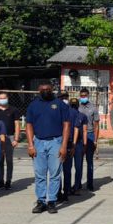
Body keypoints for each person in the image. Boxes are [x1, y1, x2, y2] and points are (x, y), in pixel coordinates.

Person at [26, 83, 71, 214]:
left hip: (55, 141)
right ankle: (41, 201)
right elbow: (29, 125)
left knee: (55, 174)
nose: (45, 91)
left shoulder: (60, 104)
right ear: (39, 91)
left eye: (48, 89)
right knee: (40, 174)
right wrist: (30, 145)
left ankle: (51, 201)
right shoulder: (33, 105)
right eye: (43, 90)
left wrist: (63, 145)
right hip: (38, 142)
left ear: (52, 90)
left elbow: (66, 125)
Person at [0, 91, 20, 190]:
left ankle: (8, 181)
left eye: (4, 98)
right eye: (0, 98)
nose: (2, 100)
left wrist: (16, 139)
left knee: (9, 160)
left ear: (8, 98)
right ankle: (0, 181)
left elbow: (17, 124)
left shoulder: (14, 110)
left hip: (10, 137)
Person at [77, 88, 100, 191]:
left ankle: (90, 184)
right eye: (81, 96)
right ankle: (78, 184)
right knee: (79, 161)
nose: (83, 97)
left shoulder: (93, 108)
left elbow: (96, 126)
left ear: (88, 95)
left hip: (90, 135)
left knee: (89, 161)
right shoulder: (77, 107)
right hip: (79, 136)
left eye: (85, 95)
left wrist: (95, 140)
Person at [69, 98, 88, 195]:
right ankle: (77, 187)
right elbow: (84, 131)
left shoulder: (65, 114)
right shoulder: (82, 116)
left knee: (67, 168)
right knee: (78, 167)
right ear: (78, 105)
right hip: (79, 143)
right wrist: (85, 144)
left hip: (68, 143)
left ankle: (67, 188)